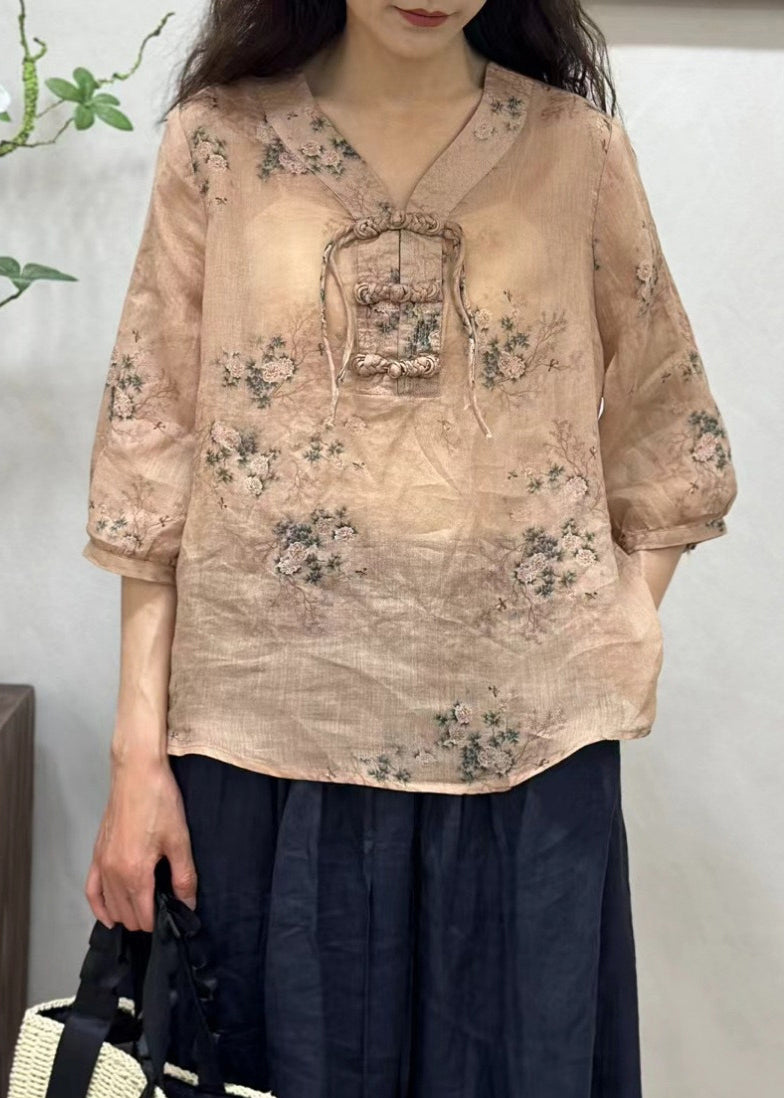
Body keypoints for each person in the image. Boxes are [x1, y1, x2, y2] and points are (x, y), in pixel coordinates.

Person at [81, 2, 738, 1095]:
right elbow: (151, 455)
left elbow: (670, 423)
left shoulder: (574, 152)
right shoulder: (218, 144)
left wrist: (619, 615)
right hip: (260, 754)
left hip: (526, 773)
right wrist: (135, 758)